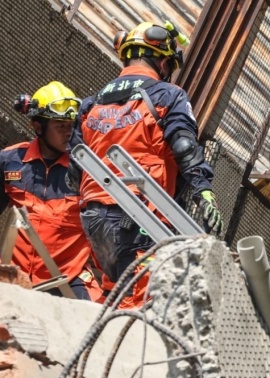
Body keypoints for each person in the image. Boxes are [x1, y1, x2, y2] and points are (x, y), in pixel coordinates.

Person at [69, 20, 220, 308]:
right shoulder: (167, 95)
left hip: (94, 216)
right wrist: (204, 191)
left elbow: (75, 167)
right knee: (141, 301)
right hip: (140, 215)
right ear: (162, 61)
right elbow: (185, 146)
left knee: (116, 289)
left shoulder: (91, 104)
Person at [1, 82, 102, 301]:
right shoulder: (10, 161)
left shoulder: (87, 170)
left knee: (94, 323)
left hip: (66, 279)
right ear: (38, 127)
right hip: (13, 275)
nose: (69, 132)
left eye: (71, 125)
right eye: (60, 126)